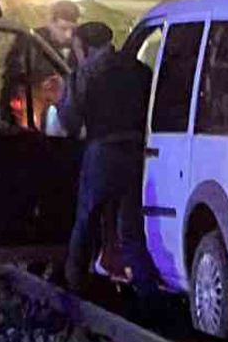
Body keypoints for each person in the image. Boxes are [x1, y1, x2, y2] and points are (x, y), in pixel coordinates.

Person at [56, 22, 160, 298]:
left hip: (102, 152)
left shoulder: (85, 74)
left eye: (76, 48)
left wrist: (59, 100)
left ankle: (74, 287)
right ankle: (148, 296)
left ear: (84, 46)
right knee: (131, 230)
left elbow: (69, 122)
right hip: (137, 154)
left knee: (86, 218)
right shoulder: (140, 71)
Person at [35, 0, 81, 68]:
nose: (68, 36)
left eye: (73, 29)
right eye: (63, 29)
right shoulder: (33, 42)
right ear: (50, 23)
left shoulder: (80, 43)